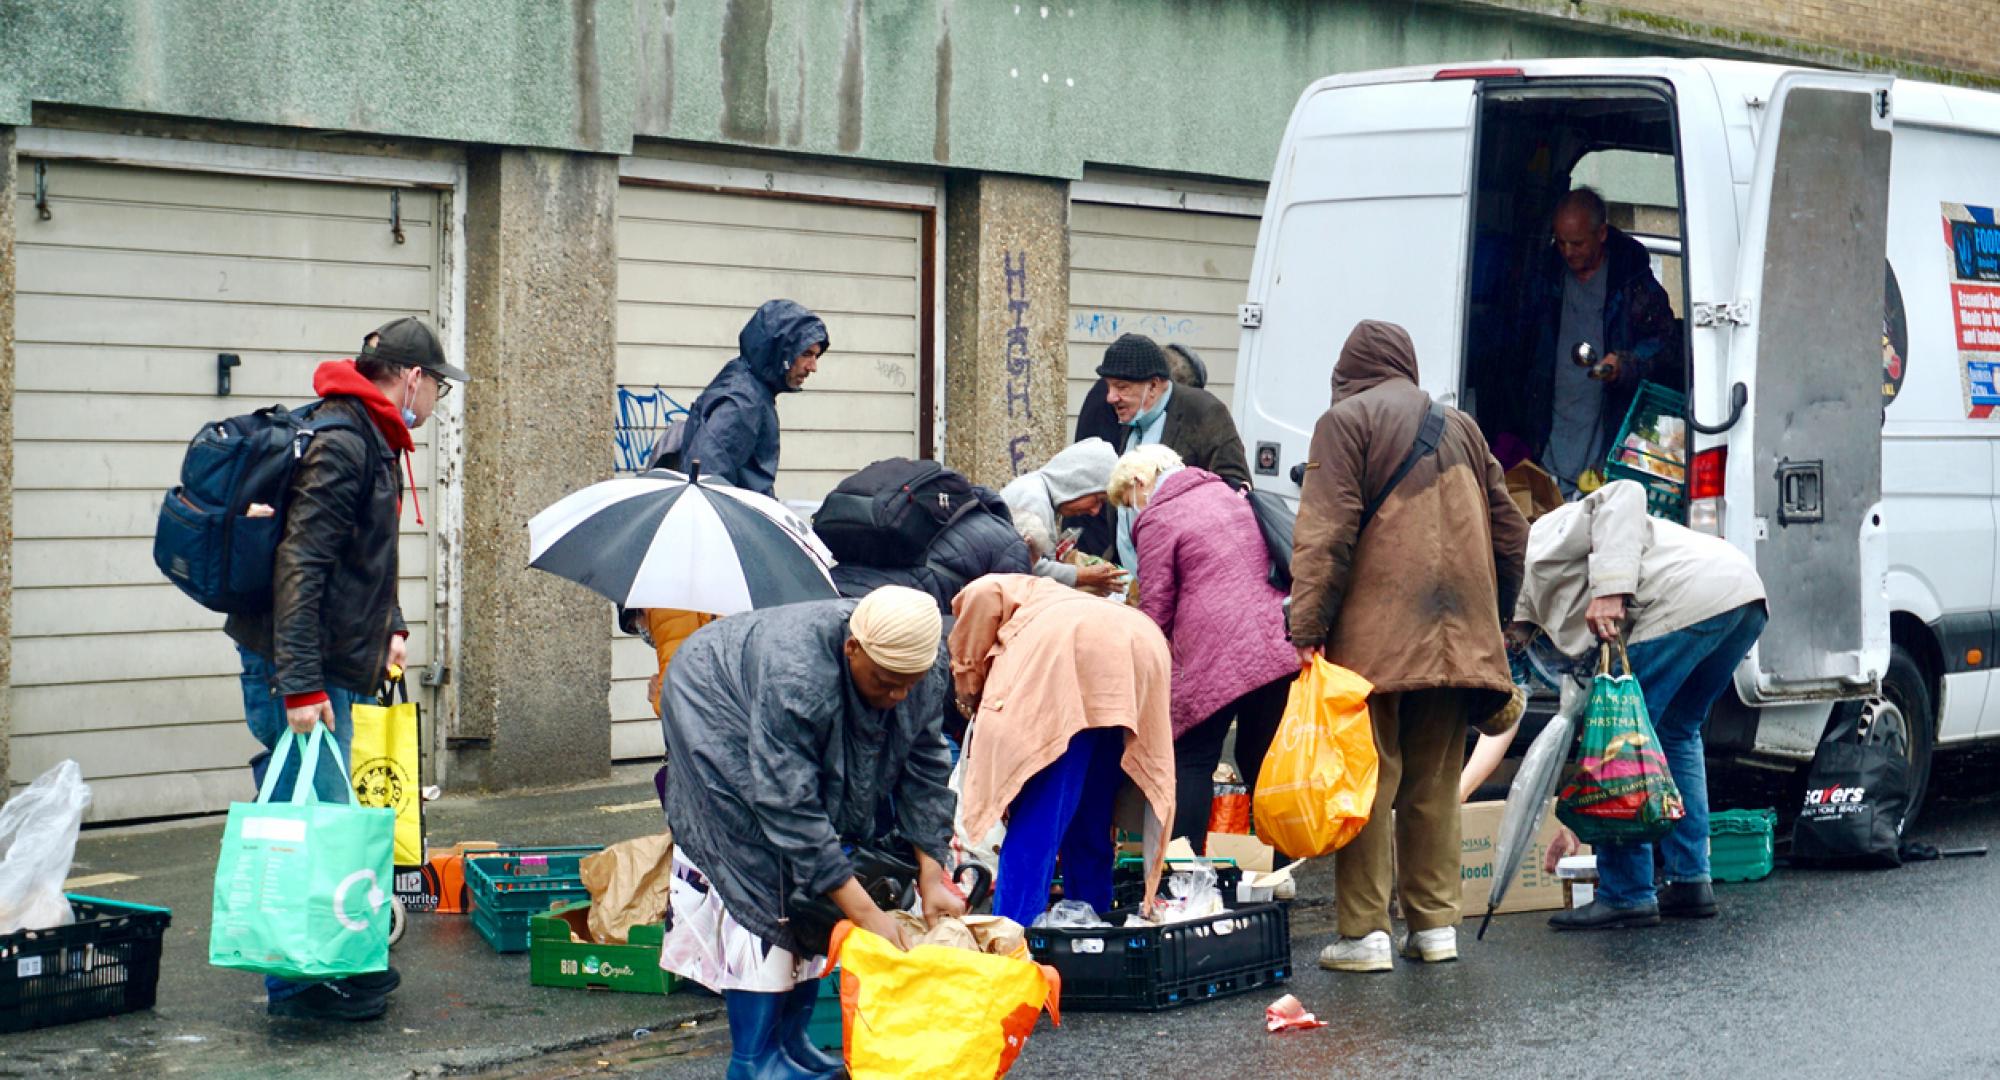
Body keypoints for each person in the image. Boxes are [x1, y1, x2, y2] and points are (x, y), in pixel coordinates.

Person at [224, 316, 465, 1021]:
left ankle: (327, 964)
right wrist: (298, 684)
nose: (437, 402)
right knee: (312, 819)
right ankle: (299, 984)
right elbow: (301, 564)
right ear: (412, 377)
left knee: (313, 815)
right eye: (437, 388)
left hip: (326, 660)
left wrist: (388, 627)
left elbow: (362, 555)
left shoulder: (371, 434)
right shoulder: (343, 441)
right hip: (297, 665)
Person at [1288, 320, 1527, 973]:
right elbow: (1511, 533)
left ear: (1347, 372)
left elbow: (1325, 534)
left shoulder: (1344, 424)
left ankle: (1365, 934)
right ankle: (1435, 927)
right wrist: (1495, 618)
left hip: (1377, 640)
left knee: (1367, 780)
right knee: (1434, 784)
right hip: (1461, 638)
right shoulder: (1463, 427)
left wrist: (1307, 628)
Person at [658, 586, 963, 1080]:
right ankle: (754, 1059)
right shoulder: (798, 674)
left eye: (911, 682)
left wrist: (933, 874)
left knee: (811, 892)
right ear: (852, 649)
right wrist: (867, 915)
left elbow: (925, 764)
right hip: (712, 702)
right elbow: (788, 805)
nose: (899, 695)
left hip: (772, 692)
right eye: (886, 682)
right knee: (762, 874)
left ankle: (792, 1041)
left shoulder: (918, 661)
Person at [1494, 479, 1767, 929]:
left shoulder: (1537, 542)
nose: (1506, 642)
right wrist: (1576, 824)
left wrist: (1610, 589)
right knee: (1675, 733)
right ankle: (1689, 880)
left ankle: (1628, 892)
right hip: (1741, 598)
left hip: (1690, 601)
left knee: (1620, 738)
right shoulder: (1534, 618)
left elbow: (1623, 494)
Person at [949, 574, 1176, 927]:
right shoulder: (1051, 595)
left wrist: (967, 674)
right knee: (1091, 814)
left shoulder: (1015, 589)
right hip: (1139, 644)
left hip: (1070, 654)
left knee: (1040, 815)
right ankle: (1092, 926)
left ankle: (1013, 933)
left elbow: (980, 592)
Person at [1111, 444, 1297, 856]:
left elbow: (1156, 608)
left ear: (1141, 482)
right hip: (1275, 641)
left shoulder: (1158, 516)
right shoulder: (1224, 492)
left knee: (1192, 756)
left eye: (1128, 502)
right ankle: (1279, 866)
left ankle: (1183, 867)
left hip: (1214, 654)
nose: (1132, 512)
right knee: (1263, 757)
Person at [1520, 187, 1678, 497]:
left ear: (1602, 233)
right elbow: (1522, 343)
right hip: (1550, 431)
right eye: (1560, 242)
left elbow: (1666, 342)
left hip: (1607, 433)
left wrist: (1628, 363)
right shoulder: (1546, 275)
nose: (1567, 251)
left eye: (1577, 243)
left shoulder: (1631, 282)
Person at [1084, 334, 1252, 569]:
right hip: (1129, 577)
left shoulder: (1203, 411)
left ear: (1153, 386)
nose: (1111, 397)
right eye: (1109, 386)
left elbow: (1235, 493)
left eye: (1121, 387)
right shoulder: (1129, 416)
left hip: (1184, 573)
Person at [677, 298, 830, 497]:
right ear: (780, 350)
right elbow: (705, 478)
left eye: (816, 356)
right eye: (806, 354)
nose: (813, 367)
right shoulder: (744, 400)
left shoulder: (750, 387)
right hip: (735, 521)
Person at [830, 477, 1033, 614]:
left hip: (836, 592)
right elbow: (1009, 621)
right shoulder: (1011, 543)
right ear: (1028, 542)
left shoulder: (932, 515)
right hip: (898, 613)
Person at [999, 437, 1125, 595]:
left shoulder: (1039, 493)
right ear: (1078, 483)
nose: (1095, 511)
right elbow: (1027, 567)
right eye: (1097, 500)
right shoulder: (1033, 500)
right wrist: (1082, 576)